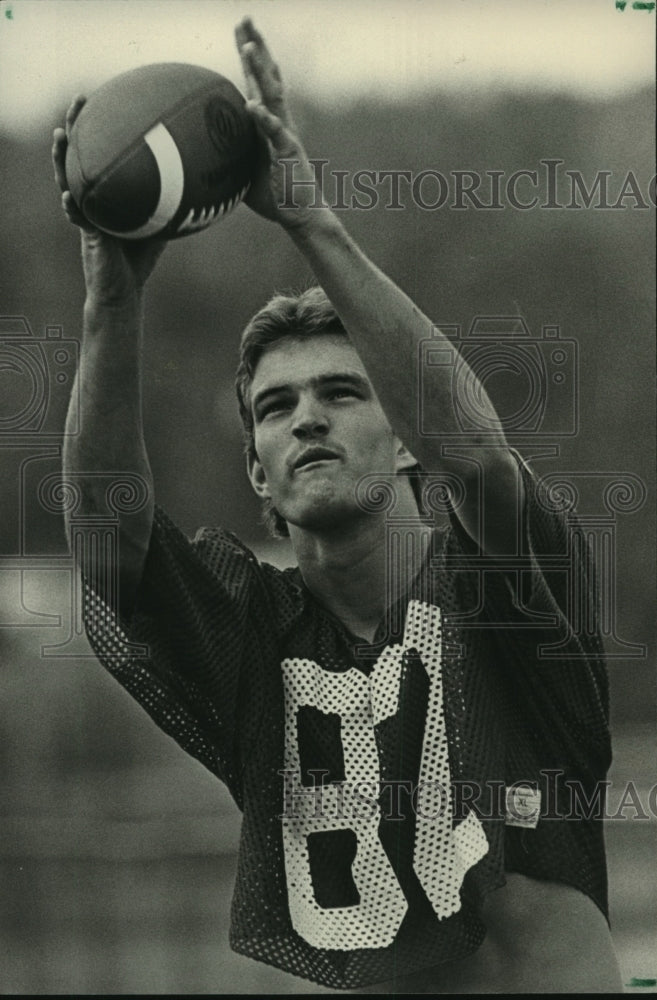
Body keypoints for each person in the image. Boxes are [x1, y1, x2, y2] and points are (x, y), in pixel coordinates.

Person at [51, 17, 624, 994]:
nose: (308, 418)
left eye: (343, 392)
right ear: (259, 475)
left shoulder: (504, 590)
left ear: (405, 434)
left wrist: (311, 220)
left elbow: (476, 454)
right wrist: (111, 300)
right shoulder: (256, 639)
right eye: (277, 407)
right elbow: (114, 545)